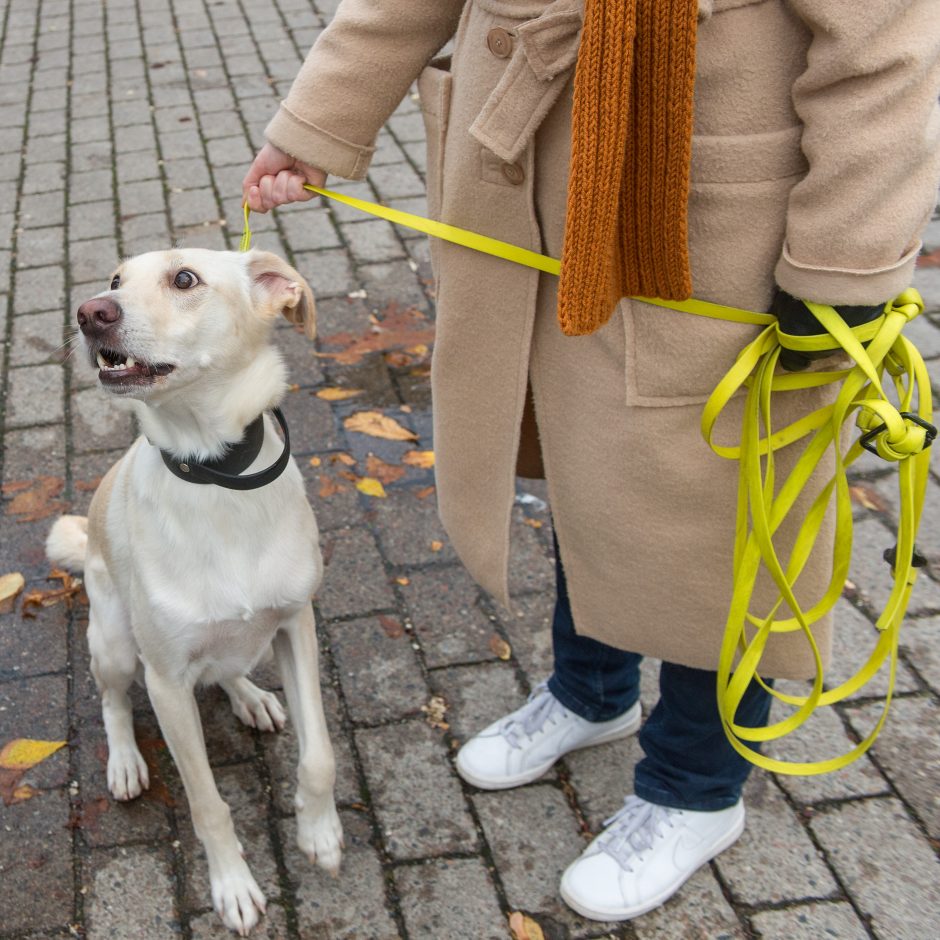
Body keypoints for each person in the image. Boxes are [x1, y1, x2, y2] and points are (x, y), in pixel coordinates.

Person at [243, 0, 940, 921]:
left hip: (706, 216)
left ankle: (695, 789)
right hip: (524, 182)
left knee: (715, 509)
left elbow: (886, 46)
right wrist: (319, 123)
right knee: (589, 462)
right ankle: (592, 690)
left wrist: (845, 264)